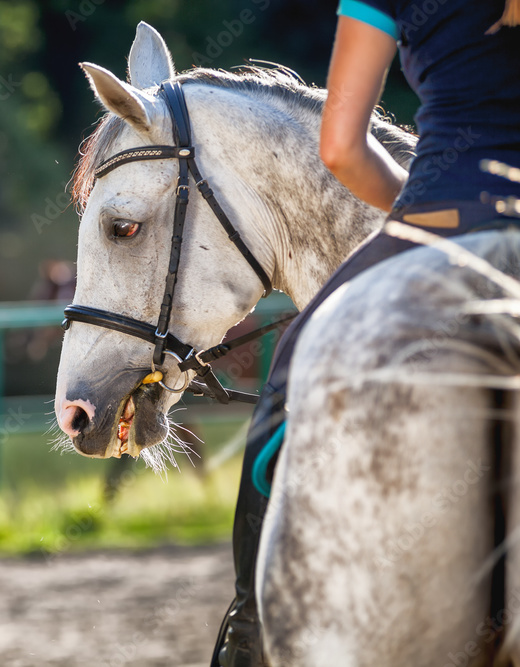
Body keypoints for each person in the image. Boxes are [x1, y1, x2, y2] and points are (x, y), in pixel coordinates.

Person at [214, 1, 520, 665]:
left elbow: (341, 148)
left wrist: (427, 213)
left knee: (291, 379)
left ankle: (246, 626)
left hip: (449, 210)